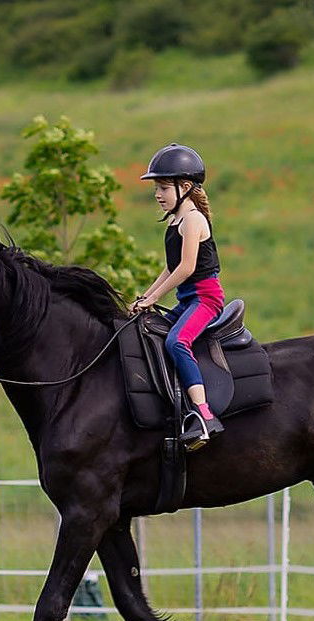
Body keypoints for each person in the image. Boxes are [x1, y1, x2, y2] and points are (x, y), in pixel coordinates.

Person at [130, 143, 225, 448]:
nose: (158, 195)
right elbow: (169, 268)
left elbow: (185, 268)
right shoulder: (175, 221)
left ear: (185, 187)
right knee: (150, 330)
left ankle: (203, 413)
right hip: (187, 299)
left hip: (205, 299)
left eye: (163, 188)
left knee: (177, 341)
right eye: (156, 188)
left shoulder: (193, 220)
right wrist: (145, 298)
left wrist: (154, 298)